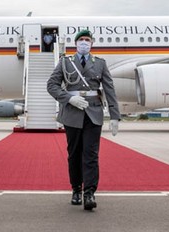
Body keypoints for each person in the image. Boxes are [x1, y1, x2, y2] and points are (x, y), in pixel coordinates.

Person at [47, 29, 120, 211]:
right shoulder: (65, 62)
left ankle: (89, 193)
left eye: (88, 40)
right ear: (76, 43)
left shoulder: (100, 63)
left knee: (91, 155)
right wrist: (68, 98)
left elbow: (110, 89)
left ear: (92, 43)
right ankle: (76, 190)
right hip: (72, 112)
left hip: (93, 112)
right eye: (81, 40)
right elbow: (52, 85)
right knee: (74, 154)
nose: (84, 43)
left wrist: (115, 116)